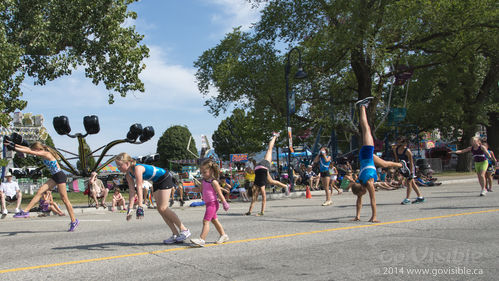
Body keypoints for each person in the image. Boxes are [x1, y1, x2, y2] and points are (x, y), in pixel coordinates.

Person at [350, 97, 411, 223]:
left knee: (366, 128)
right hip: (366, 158)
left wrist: (374, 217)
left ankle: (361, 106)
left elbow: (373, 200)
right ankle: (401, 164)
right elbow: (359, 199)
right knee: (385, 163)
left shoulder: (369, 183)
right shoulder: (359, 181)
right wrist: (358, 216)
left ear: (362, 189)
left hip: (366, 153)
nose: (362, 196)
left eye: (361, 194)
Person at [115, 153, 191, 244]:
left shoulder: (137, 168)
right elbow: (132, 191)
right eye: (117, 166)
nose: (118, 168)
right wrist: (130, 209)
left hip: (165, 178)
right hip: (156, 181)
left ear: (127, 163)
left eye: (120, 165)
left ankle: (184, 229)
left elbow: (139, 187)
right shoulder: (128, 175)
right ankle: (175, 234)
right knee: (160, 209)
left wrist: (140, 206)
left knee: (163, 208)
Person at [5, 141, 79, 231]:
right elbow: (28, 149)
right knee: (40, 191)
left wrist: (13, 148)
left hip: (60, 176)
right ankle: (25, 211)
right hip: (55, 176)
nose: (34, 152)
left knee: (65, 200)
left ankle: (74, 221)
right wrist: (13, 144)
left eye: (35, 150)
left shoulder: (45, 153)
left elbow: (30, 151)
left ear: (38, 149)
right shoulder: (41, 151)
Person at [246, 132, 290, 216]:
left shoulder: (260, 186)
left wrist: (261, 212)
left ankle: (275, 136)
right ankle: (285, 186)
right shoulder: (254, 185)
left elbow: (264, 198)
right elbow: (254, 199)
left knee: (269, 149)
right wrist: (249, 212)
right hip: (259, 169)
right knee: (271, 181)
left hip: (263, 167)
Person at [189, 159, 230, 247]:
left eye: (204, 172)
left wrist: (225, 203)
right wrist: (190, 189)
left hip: (213, 204)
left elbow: (219, 193)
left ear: (211, 171)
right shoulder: (204, 181)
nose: (203, 174)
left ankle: (202, 239)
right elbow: (200, 190)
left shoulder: (214, 182)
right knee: (214, 220)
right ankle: (224, 235)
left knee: (205, 221)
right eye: (202, 173)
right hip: (208, 204)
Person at [393, 136, 426, 205]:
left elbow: (411, 162)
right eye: (400, 142)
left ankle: (407, 199)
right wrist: (397, 168)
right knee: (412, 183)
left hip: (409, 167)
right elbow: (396, 159)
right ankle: (420, 197)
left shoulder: (407, 151)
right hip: (403, 166)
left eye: (404, 143)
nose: (403, 144)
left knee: (409, 182)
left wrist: (411, 172)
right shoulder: (396, 149)